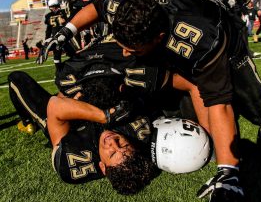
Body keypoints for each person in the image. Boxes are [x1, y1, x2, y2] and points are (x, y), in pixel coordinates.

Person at [44, 0, 261, 201]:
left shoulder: (203, 41)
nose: (124, 54)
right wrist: (67, 30)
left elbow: (217, 102)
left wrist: (227, 170)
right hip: (168, 23)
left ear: (159, 38)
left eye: (131, 49)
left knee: (259, 112)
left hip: (218, 25)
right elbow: (97, 7)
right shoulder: (121, 3)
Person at [8, 70, 158, 195]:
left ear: (102, 167)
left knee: (16, 78)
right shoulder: (140, 133)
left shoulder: (73, 161)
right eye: (123, 145)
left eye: (111, 153)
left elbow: (55, 106)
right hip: (94, 111)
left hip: (67, 124)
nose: (112, 142)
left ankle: (27, 122)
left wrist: (104, 116)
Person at [44, 0, 68, 67]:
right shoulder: (64, 12)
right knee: (57, 56)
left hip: (59, 38)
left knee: (57, 57)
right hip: (63, 37)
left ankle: (60, 71)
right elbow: (48, 29)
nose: (52, 8)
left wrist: (47, 39)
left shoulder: (48, 16)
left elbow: (48, 30)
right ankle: (60, 71)